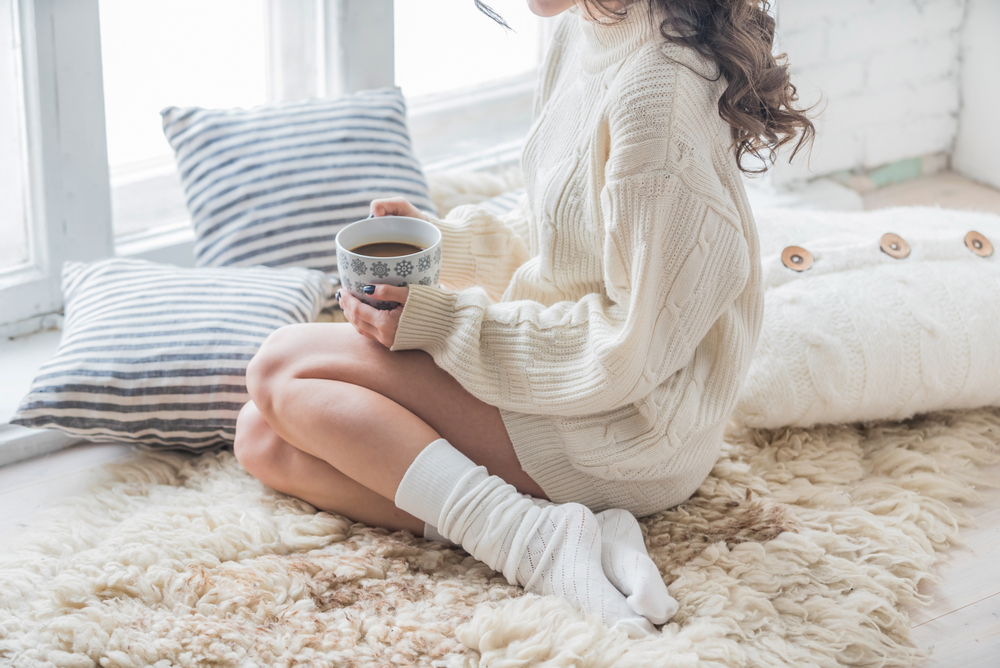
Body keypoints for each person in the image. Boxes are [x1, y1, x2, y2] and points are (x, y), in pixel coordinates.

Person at [233, 0, 814, 638]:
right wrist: (442, 245)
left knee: (281, 366)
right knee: (260, 437)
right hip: (578, 375)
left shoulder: (659, 94)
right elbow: (562, 231)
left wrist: (443, 322)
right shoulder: (586, 25)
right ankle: (571, 529)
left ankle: (534, 542)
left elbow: (629, 348)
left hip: (637, 421)